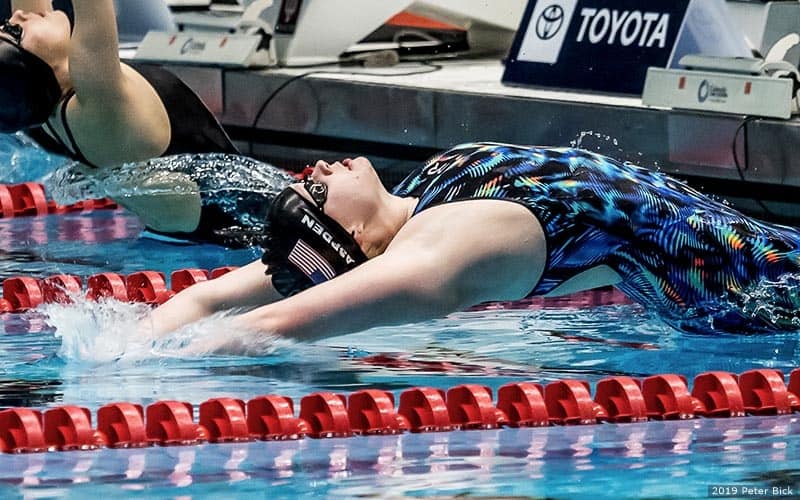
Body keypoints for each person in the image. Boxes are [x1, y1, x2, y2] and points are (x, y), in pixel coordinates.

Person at [145, 141, 800, 344]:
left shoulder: (423, 195)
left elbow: (207, 299)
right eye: (314, 192)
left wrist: (127, 342)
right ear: (353, 236)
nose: (314, 170)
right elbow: (271, 323)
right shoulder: (436, 253)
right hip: (768, 299)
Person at [1, 0, 242, 242]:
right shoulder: (100, 106)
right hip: (238, 243)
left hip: (178, 240)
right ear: (34, 67)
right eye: (14, 30)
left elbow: (33, 22)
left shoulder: (43, 113)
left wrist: (17, 32)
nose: (19, 14)